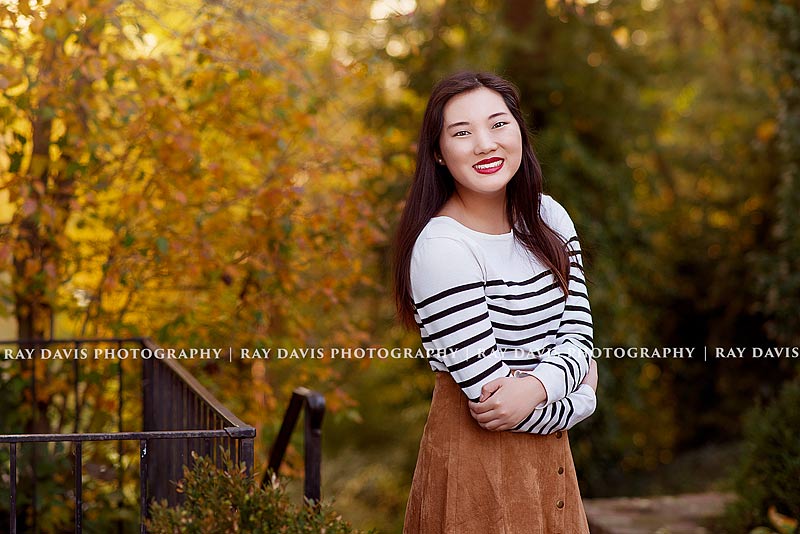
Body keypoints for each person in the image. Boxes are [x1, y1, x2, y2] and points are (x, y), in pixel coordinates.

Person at [393, 71, 599, 534]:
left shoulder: (549, 216)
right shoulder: (442, 247)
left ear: (519, 132)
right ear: (438, 155)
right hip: (476, 470)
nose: (485, 144)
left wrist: (536, 389)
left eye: (498, 124)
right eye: (461, 133)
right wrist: (581, 396)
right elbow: (495, 403)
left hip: (554, 467)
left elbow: (580, 335)